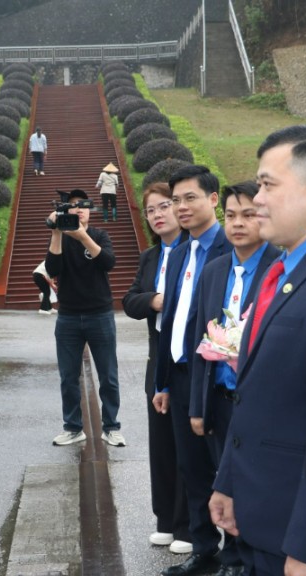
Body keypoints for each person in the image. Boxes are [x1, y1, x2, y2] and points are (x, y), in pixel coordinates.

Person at [209, 124, 306, 576]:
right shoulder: (283, 271)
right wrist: (229, 480)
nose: (256, 201)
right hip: (257, 511)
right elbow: (255, 392)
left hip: (294, 533)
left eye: (268, 185)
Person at [188, 180, 279, 576]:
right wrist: (197, 407)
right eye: (231, 216)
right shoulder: (214, 271)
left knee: (256, 484)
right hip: (221, 399)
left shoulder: (280, 266)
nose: (238, 223)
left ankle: (256, 558)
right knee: (223, 484)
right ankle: (232, 557)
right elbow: (198, 338)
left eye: (248, 214)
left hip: (261, 401)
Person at [153, 165, 233, 576]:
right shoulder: (181, 251)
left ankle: (238, 555)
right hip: (182, 378)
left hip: (217, 378)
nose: (180, 208)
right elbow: (172, 318)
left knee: (229, 469)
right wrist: (163, 381)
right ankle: (205, 549)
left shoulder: (230, 247)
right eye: (175, 200)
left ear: (213, 200)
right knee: (193, 468)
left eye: (190, 198)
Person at [123, 182, 191, 553]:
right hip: (157, 358)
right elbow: (130, 300)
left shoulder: (194, 250)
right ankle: (165, 519)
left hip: (187, 357)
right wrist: (154, 300)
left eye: (164, 205)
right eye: (151, 210)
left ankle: (186, 524)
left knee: (187, 442)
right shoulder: (150, 257)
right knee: (161, 442)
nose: (159, 214)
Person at [46, 188, 124, 447]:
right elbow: (52, 269)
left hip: (100, 314)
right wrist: (57, 232)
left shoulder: (100, 235)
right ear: (65, 211)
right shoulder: (62, 238)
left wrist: (82, 237)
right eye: (72, 205)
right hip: (68, 316)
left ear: (90, 211)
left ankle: (111, 427)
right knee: (68, 377)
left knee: (108, 375)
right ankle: (72, 427)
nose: (79, 208)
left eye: (84, 205)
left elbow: (108, 262)